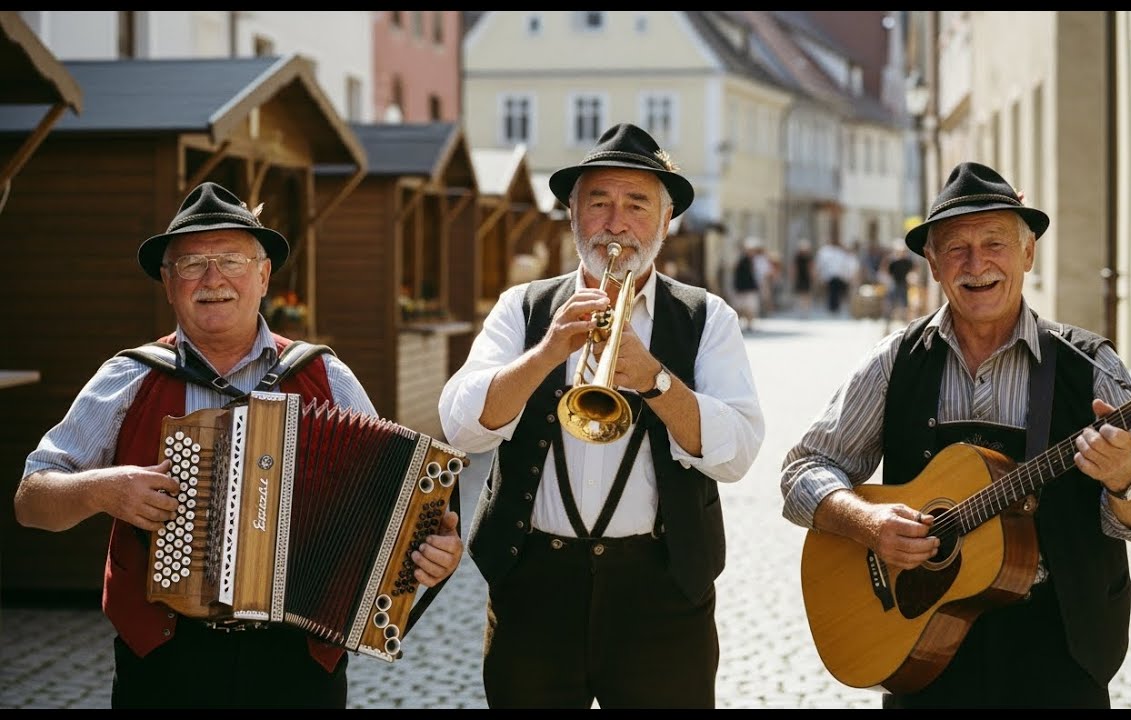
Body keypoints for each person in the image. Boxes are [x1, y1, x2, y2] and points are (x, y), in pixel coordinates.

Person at [13, 182, 465, 709]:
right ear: (167, 281)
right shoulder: (128, 378)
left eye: (231, 259)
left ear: (263, 275)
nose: (212, 279)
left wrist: (431, 553)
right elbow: (30, 501)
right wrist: (101, 490)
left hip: (297, 661)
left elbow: (394, 506)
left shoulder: (324, 374)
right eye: (191, 264)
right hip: (165, 661)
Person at [780, 161, 1131, 709]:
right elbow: (803, 469)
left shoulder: (1090, 366)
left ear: (1028, 254)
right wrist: (866, 521)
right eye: (957, 249)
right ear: (933, 264)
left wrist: (1126, 479)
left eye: (995, 243)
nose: (977, 264)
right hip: (922, 638)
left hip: (1057, 645)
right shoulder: (896, 362)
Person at [438, 123, 766, 709]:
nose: (616, 225)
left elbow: (737, 452)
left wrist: (656, 382)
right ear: (573, 217)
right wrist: (544, 357)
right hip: (535, 587)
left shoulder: (706, 317)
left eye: (637, 205)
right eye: (599, 203)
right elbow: (460, 425)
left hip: (661, 592)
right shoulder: (524, 308)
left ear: (665, 223)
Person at [881, 245, 916, 332]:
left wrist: (912, 277)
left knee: (905, 306)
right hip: (894, 284)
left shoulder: (908, 261)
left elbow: (914, 269)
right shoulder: (893, 261)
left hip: (904, 285)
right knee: (890, 306)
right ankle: (887, 327)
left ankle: (908, 328)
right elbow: (886, 270)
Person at [814, 236, 853, 316]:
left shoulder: (839, 252)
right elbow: (821, 263)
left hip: (837, 275)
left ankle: (834, 307)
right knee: (831, 291)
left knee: (835, 291)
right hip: (829, 275)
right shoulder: (825, 251)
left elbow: (844, 264)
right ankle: (832, 307)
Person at [731, 236, 763, 331]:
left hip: (750, 287)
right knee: (740, 307)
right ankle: (740, 324)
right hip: (741, 287)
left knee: (750, 307)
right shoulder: (740, 259)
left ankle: (750, 324)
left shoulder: (755, 260)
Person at [790, 239, 815, 316]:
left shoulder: (809, 257)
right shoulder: (797, 257)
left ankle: (806, 309)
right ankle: (801, 308)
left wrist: (813, 276)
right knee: (800, 293)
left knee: (807, 293)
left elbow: (811, 267)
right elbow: (794, 268)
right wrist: (793, 276)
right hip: (800, 277)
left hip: (806, 277)